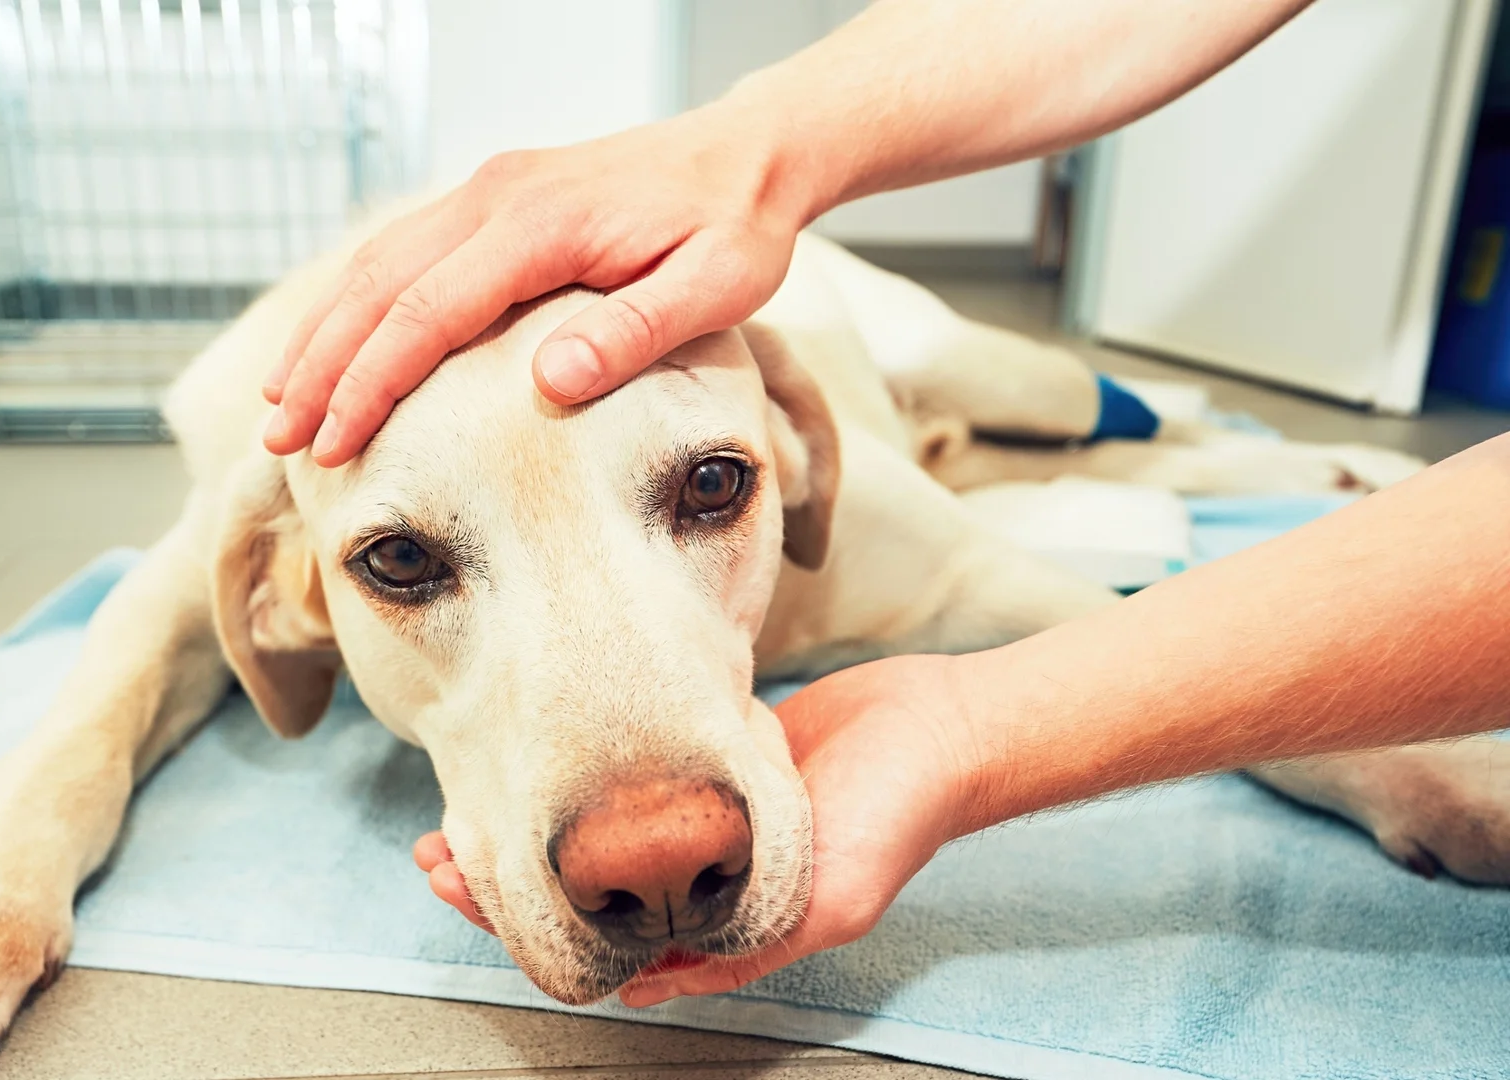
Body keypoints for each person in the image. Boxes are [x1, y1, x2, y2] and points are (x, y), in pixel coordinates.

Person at [265, 0, 1510, 1005]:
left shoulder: (800, 419)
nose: (653, 847)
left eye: (707, 488)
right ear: (293, 595)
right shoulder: (278, 468)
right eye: (407, 564)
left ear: (797, 463)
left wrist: (1360, 752)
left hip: (865, 350)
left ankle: (1167, 430)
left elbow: (1010, 592)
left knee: (1035, 389)